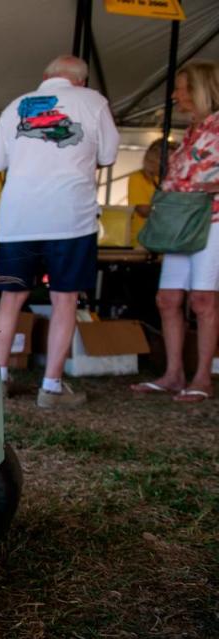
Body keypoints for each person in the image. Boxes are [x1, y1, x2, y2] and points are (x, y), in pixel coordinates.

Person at [0, 54, 119, 409]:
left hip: (19, 218)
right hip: (70, 218)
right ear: (81, 81)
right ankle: (51, 387)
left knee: (10, 297)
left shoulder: (15, 105)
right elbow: (108, 154)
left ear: (46, 77)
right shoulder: (93, 102)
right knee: (65, 299)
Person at [131, 60, 219, 402]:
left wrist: (196, 189)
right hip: (180, 225)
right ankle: (173, 373)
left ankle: (202, 378)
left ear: (200, 89)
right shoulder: (193, 131)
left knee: (203, 299)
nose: (175, 95)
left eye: (182, 88)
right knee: (168, 299)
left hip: (210, 221)